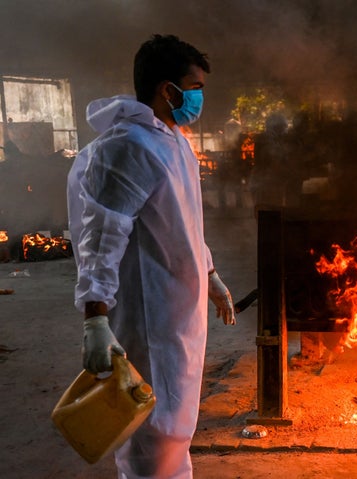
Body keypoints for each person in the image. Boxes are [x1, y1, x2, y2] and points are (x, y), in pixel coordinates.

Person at [66, 34, 236, 478]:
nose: (198, 97)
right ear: (167, 89)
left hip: (177, 314)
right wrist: (95, 318)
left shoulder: (172, 141)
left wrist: (209, 272)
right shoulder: (127, 147)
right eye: (193, 86)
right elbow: (102, 239)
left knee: (174, 431)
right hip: (149, 318)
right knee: (150, 434)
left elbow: (183, 220)